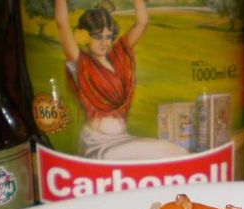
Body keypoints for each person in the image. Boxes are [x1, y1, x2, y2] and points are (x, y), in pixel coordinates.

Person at [54, 0, 187, 160]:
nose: (104, 42)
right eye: (98, 37)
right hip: (97, 145)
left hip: (123, 139)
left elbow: (142, 23)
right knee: (163, 154)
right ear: (86, 36)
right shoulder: (80, 63)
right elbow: (62, 24)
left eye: (108, 37)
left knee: (175, 152)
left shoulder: (118, 56)